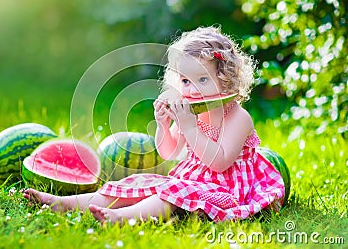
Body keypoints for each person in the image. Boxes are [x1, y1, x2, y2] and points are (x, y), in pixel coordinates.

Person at [23, 26, 285, 224]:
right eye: (184, 81)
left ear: (225, 79)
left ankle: (120, 218)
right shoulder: (190, 109)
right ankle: (64, 203)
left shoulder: (238, 117)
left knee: (170, 193)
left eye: (202, 80)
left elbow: (220, 163)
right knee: (139, 182)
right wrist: (164, 125)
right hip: (188, 181)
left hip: (227, 192)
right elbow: (168, 153)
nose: (191, 90)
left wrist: (191, 127)